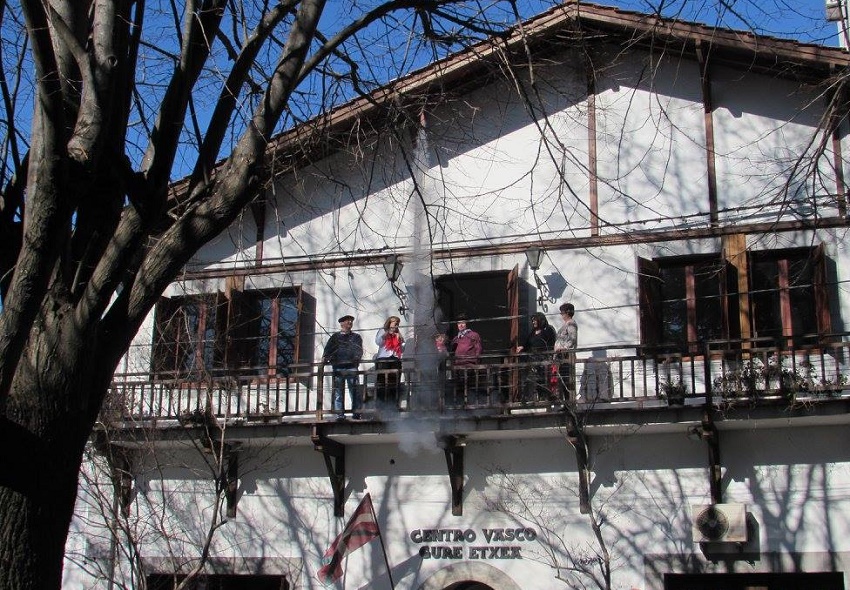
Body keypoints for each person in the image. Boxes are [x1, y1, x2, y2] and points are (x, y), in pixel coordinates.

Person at [322, 314, 364, 421]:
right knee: (338, 392)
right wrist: (325, 358)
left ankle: (356, 413)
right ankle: (340, 415)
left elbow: (359, 350)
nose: (350, 323)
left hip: (351, 367)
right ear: (341, 324)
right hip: (338, 367)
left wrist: (356, 358)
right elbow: (328, 349)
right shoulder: (335, 337)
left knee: (354, 391)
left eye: (351, 321)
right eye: (347, 321)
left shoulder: (356, 337)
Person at [516, 311, 556, 403]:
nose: (533, 322)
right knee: (530, 378)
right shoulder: (533, 332)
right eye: (532, 321)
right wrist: (522, 347)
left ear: (540, 320)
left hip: (543, 359)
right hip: (533, 359)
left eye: (535, 320)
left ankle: (543, 397)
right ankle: (526, 397)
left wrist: (547, 355)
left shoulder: (548, 330)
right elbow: (527, 343)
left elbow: (551, 344)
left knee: (542, 379)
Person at [449, 313, 483, 406]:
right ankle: (460, 405)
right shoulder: (456, 338)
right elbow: (451, 352)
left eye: (463, 323)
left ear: (466, 324)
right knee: (458, 387)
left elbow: (478, 349)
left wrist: (476, 362)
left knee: (468, 386)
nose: (460, 325)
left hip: (469, 365)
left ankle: (470, 405)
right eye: (459, 323)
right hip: (458, 366)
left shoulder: (473, 335)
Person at [374, 315, 404, 406]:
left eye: (397, 323)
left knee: (394, 383)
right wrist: (386, 334)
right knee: (382, 383)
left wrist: (399, 341)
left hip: (395, 359)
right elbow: (378, 342)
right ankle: (381, 405)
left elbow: (402, 350)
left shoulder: (398, 333)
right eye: (395, 322)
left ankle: (393, 405)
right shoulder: (382, 330)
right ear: (389, 322)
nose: (396, 325)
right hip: (383, 359)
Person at [553, 302, 578, 405]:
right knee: (562, 380)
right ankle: (565, 403)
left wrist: (563, 348)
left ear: (568, 312)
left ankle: (570, 403)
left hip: (567, 356)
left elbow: (572, 340)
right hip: (560, 357)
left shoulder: (571, 323)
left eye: (562, 312)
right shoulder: (565, 325)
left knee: (568, 380)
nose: (561, 315)